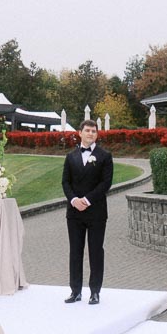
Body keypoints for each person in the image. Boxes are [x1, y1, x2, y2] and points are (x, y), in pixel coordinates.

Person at [61, 119, 113, 305]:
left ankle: (95, 292)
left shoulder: (105, 156)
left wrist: (87, 200)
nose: (91, 133)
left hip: (96, 212)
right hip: (74, 213)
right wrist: (74, 200)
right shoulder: (70, 156)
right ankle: (75, 291)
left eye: (94, 131)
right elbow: (65, 182)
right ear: (80, 133)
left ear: (97, 134)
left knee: (95, 252)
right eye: (87, 130)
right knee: (75, 252)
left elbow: (105, 183)